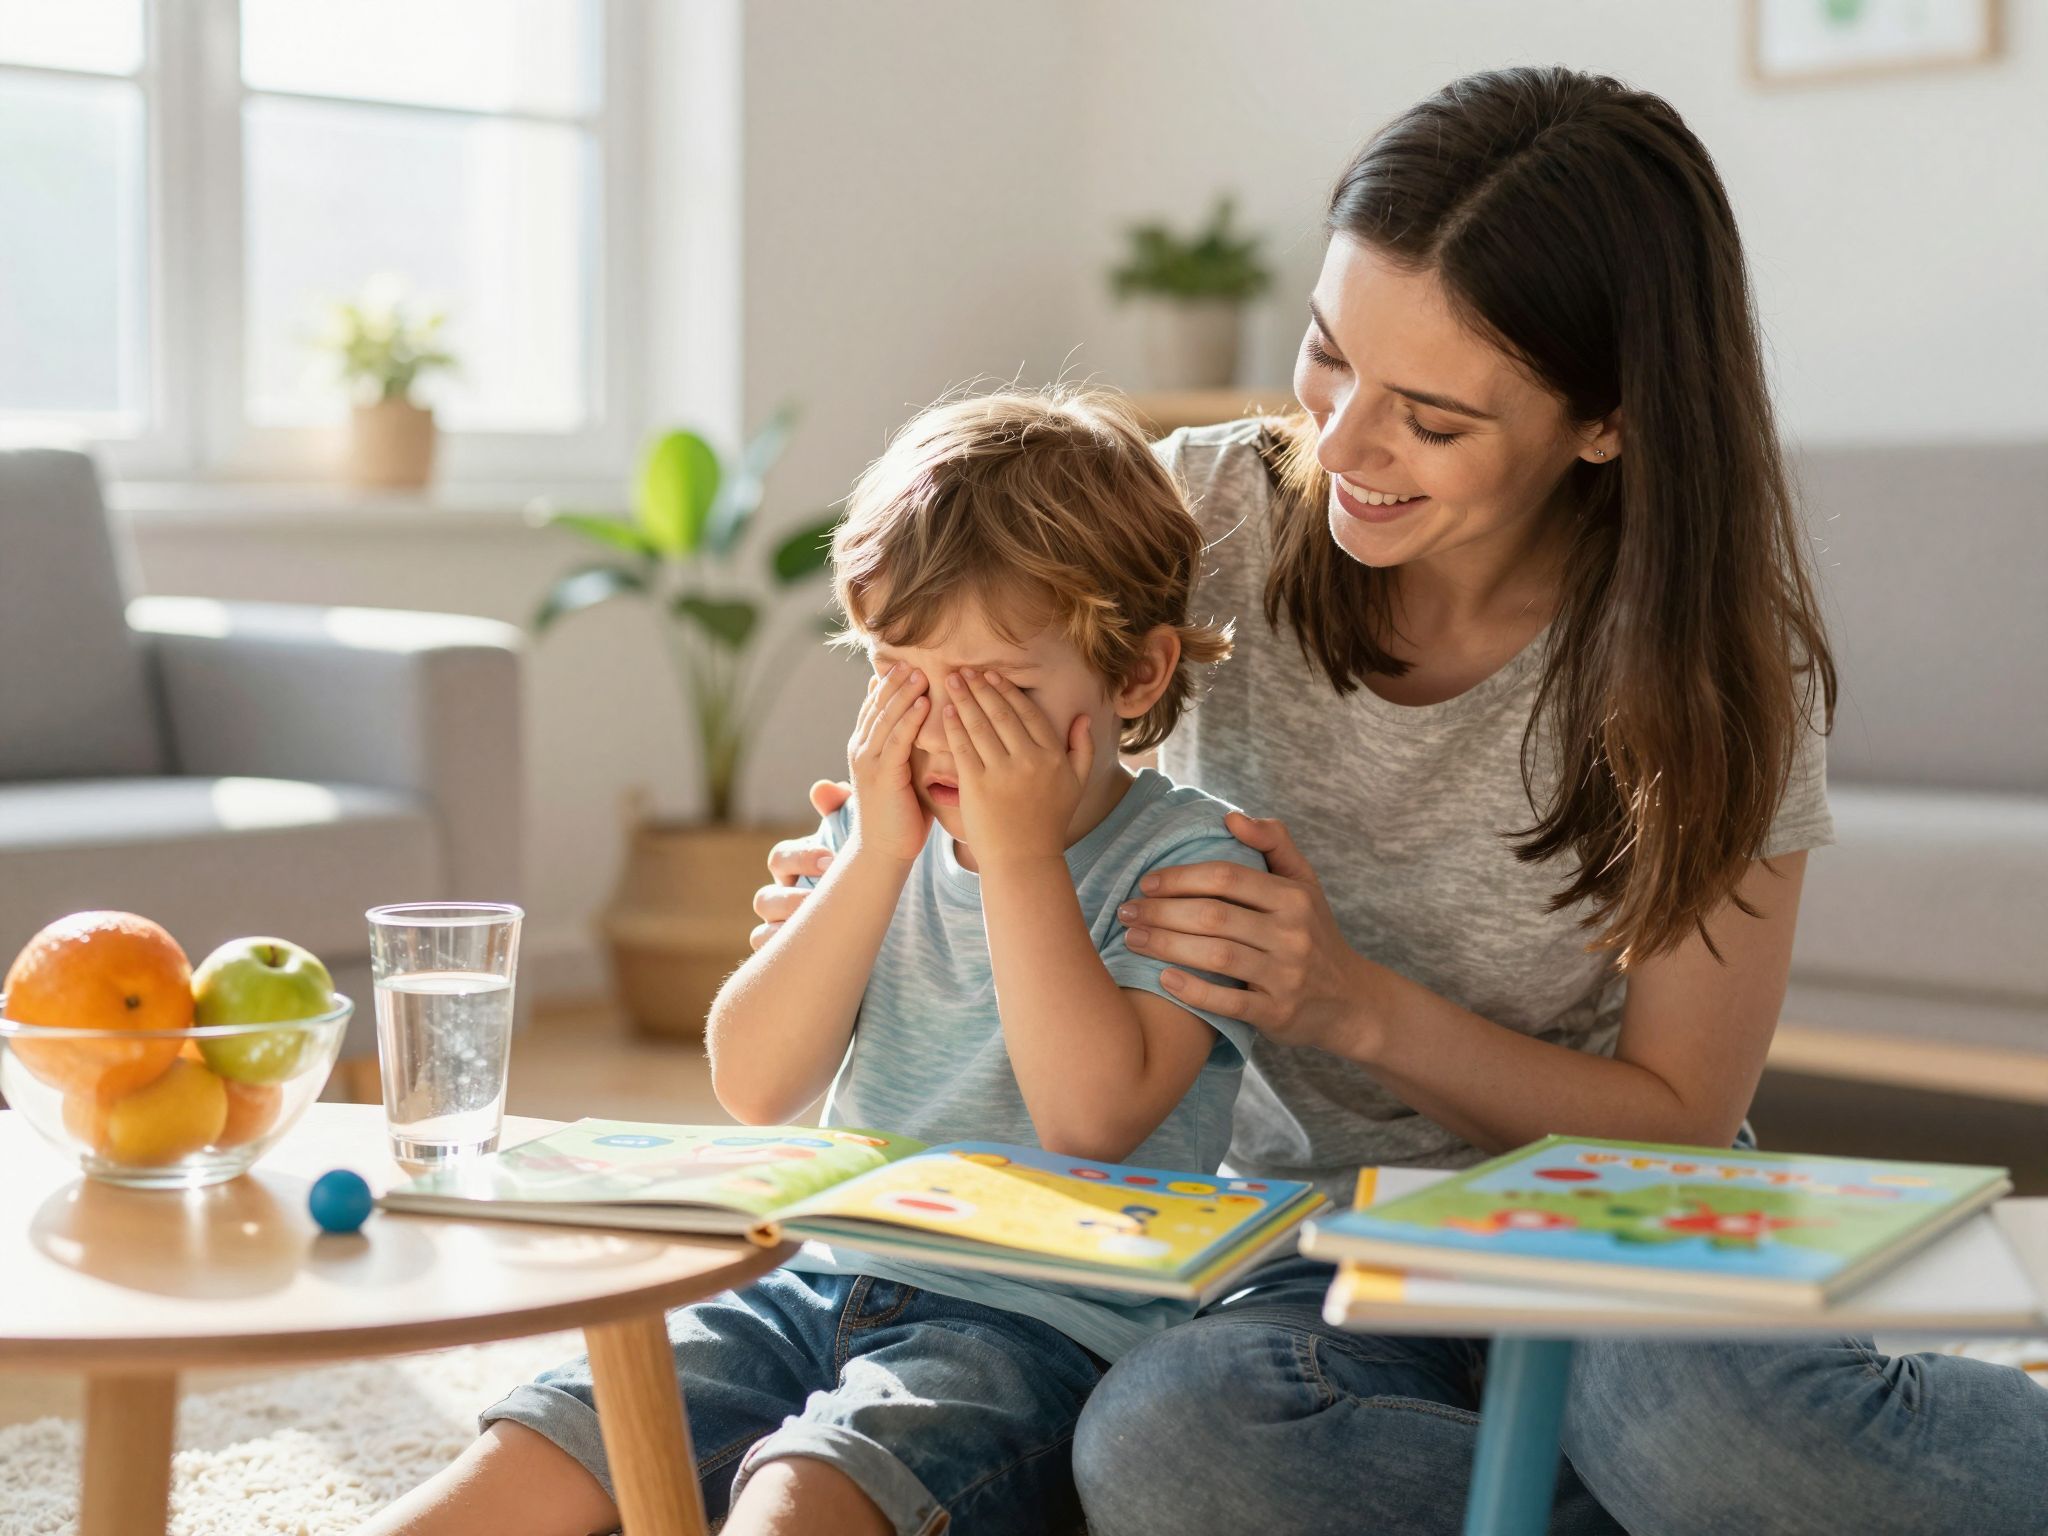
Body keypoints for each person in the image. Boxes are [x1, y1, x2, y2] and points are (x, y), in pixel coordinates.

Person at [754, 68, 2048, 1536]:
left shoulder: (1709, 664)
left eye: (1430, 418)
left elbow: (1682, 1119)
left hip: (1604, 1233)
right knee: (1172, 1445)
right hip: (1308, 1250)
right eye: (1325, 356)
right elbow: (979, 676)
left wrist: (1356, 1007)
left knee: (1705, 1427)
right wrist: (895, 865)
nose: (1346, 448)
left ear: (1607, 422)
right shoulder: (1197, 517)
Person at [361, 388, 1267, 1536]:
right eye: (905, 679)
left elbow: (1088, 1117)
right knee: (545, 1446)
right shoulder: (872, 836)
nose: (941, 735)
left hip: (1029, 1334)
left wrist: (1022, 854)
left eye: (997, 693)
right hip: (808, 1281)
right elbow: (752, 1082)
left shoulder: (1193, 867)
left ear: (1135, 678)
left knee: (800, 1494)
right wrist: (873, 859)